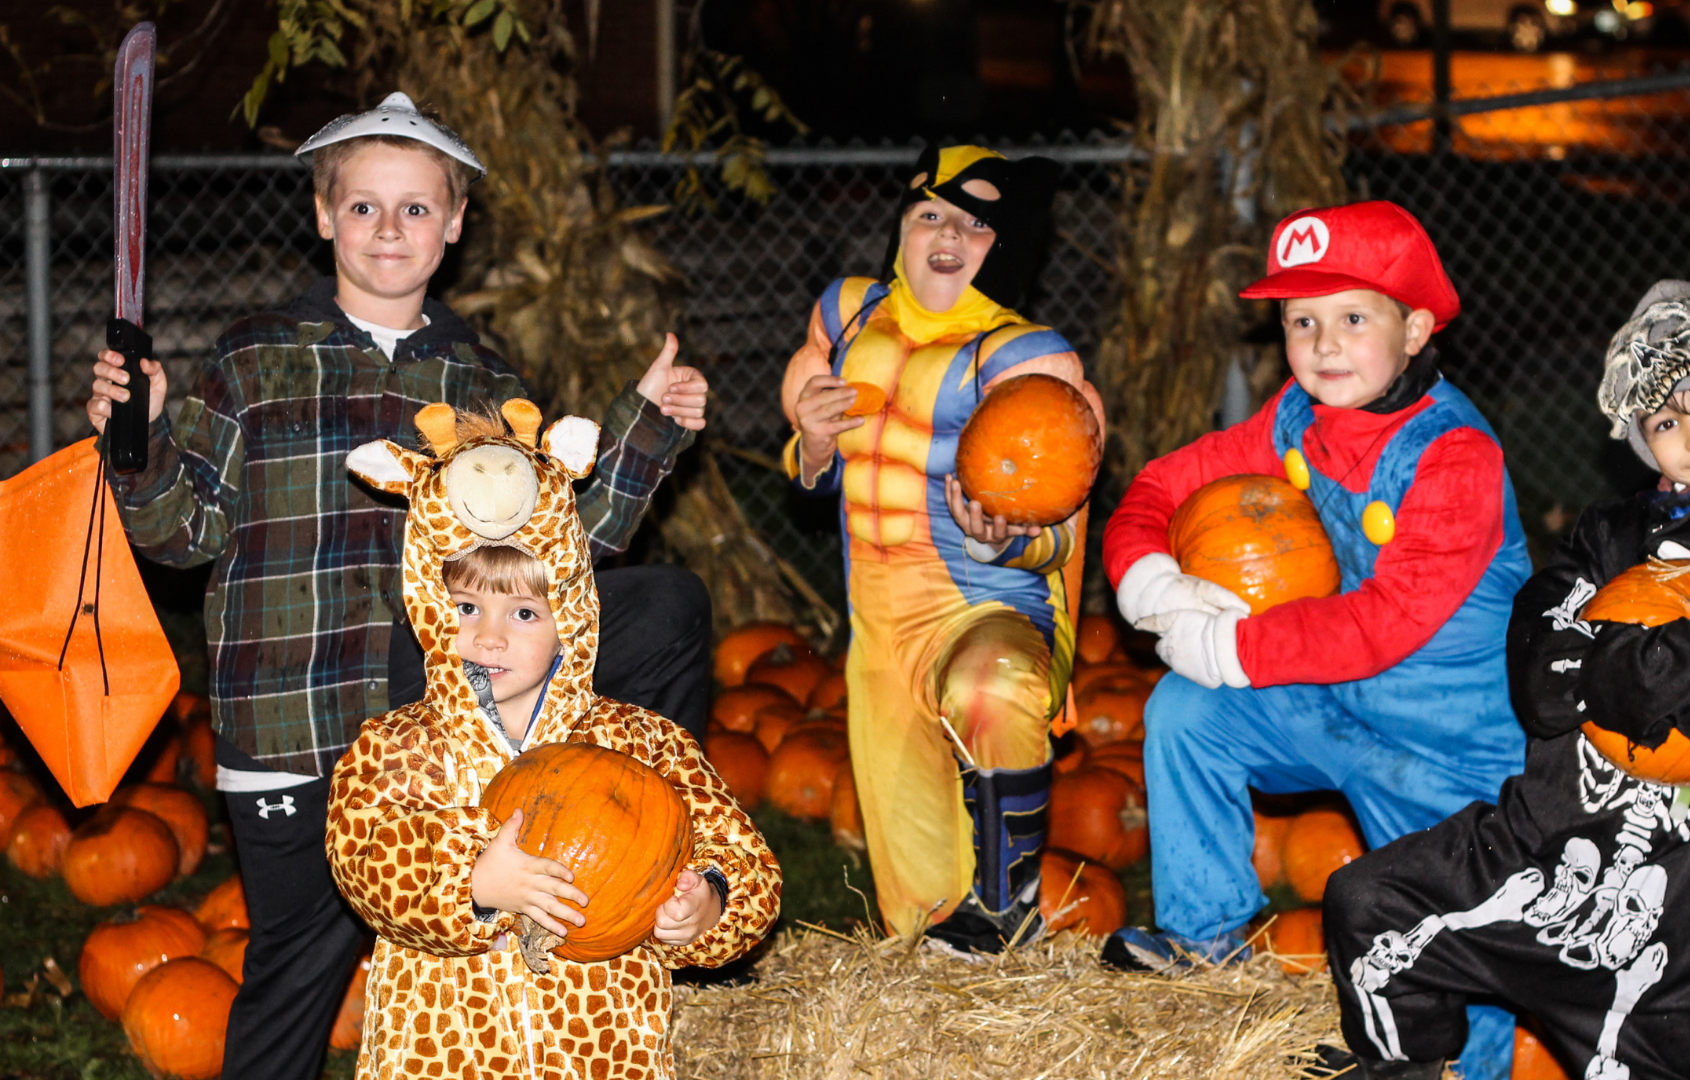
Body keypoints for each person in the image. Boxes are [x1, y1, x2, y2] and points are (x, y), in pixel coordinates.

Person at [84, 93, 710, 1079]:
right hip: (292, 726)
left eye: (417, 209)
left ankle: (652, 832)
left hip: (431, 742)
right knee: (301, 967)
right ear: (324, 216)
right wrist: (143, 440)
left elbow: (552, 564)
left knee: (666, 609)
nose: (389, 229)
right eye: (364, 207)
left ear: (454, 224)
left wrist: (643, 431)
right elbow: (180, 536)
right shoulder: (252, 360)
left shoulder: (480, 384)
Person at [1318, 281, 1690, 1080]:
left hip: (1678, 932)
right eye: (1665, 420)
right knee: (1368, 907)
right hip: (1535, 855)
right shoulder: (1616, 531)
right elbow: (1542, 638)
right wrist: (1570, 659)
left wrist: (1635, 663)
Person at [1099, 201, 1527, 1078]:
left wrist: (1231, 645)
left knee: (1445, 953)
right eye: (1302, 322)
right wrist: (1145, 576)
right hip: (1333, 702)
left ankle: (1463, 1070)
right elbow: (1163, 483)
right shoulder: (1298, 415)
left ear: (1414, 329)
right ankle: (1204, 938)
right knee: (1188, 713)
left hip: (1448, 748)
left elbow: (1383, 625)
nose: (1325, 344)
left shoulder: (1455, 458)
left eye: (1353, 318)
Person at [330, 401, 778, 1079]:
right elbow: (362, 854)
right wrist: (472, 882)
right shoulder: (400, 747)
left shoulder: (641, 743)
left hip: (603, 1049)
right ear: (427, 605)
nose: (490, 636)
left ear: (569, 615)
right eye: (466, 607)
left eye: (524, 612)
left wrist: (710, 901)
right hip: (443, 1053)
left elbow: (739, 852)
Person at [779, 145, 1106, 954]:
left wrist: (1015, 536)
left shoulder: (1025, 357)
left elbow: (1064, 520)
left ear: (1006, 246)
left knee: (991, 689)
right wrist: (813, 446)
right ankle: (954, 974)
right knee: (916, 913)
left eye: (975, 224)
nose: (947, 233)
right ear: (901, 227)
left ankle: (1009, 905)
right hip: (877, 622)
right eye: (930, 213)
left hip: (983, 602)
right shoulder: (847, 317)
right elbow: (805, 466)